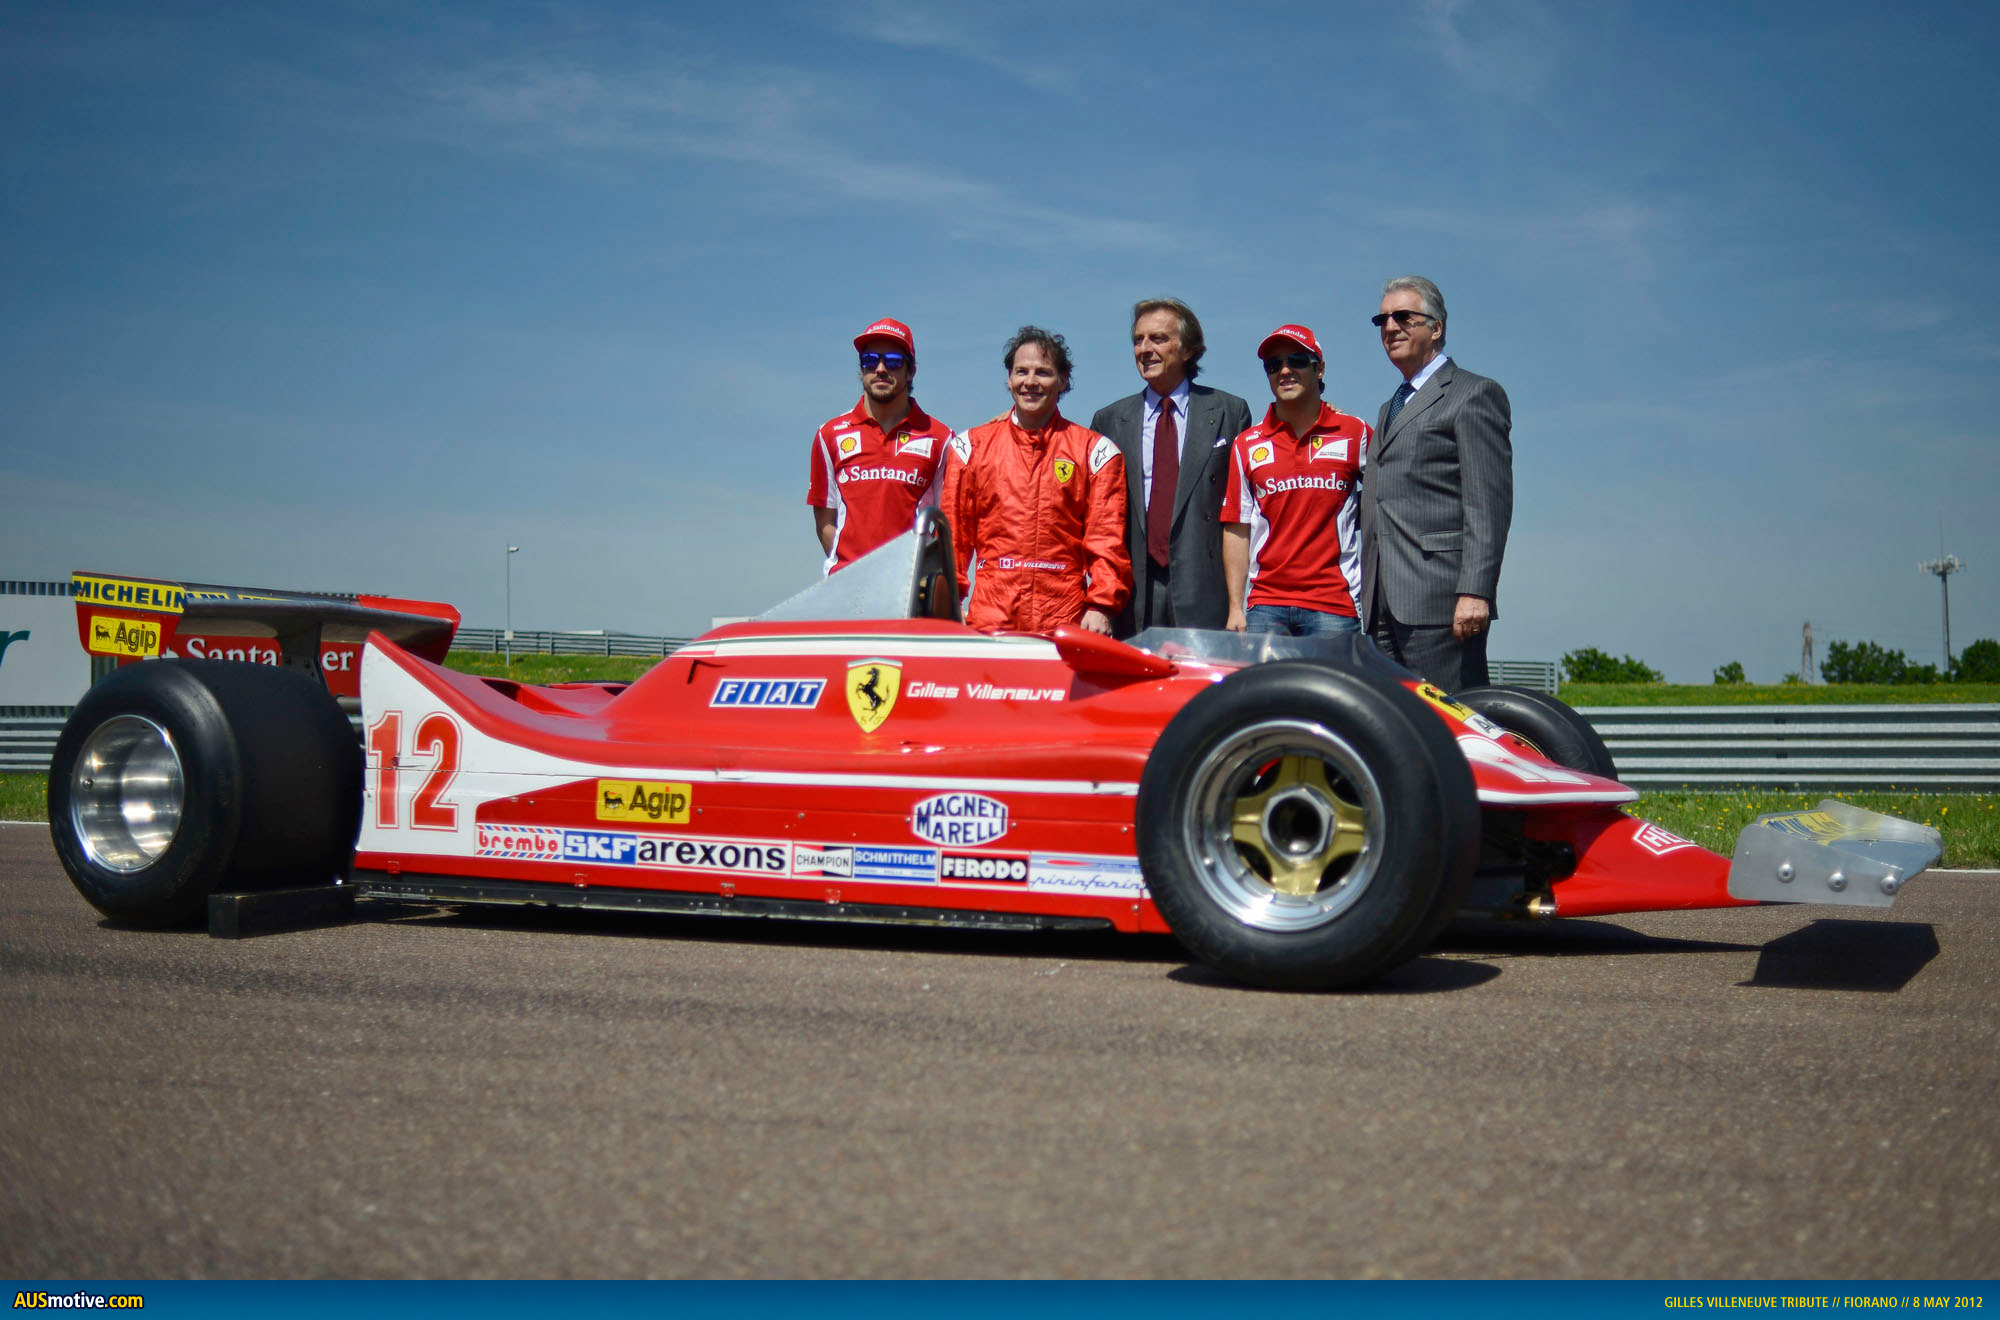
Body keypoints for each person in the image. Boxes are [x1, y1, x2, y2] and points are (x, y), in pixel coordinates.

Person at [1359, 276, 1513, 689]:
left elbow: (1488, 504)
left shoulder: (1473, 394)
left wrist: (1476, 591)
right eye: (1382, 319)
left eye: (1403, 316)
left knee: (1451, 719)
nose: (1390, 327)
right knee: (1395, 720)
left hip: (1440, 604)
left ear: (1436, 327)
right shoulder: (1389, 407)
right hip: (1380, 603)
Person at [941, 326, 1130, 634]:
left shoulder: (1096, 452)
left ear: (1063, 380)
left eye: (1042, 372)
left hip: (1064, 623)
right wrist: (948, 604)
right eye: (1021, 371)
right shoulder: (969, 448)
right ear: (1009, 379)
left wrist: (1101, 606)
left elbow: (1107, 539)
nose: (1030, 381)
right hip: (990, 620)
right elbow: (953, 541)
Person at [1088, 298, 1252, 636]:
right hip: (1133, 591)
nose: (1144, 349)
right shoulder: (1109, 421)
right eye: (1138, 340)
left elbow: (1244, 506)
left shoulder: (1230, 412)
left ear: (1188, 349)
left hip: (1204, 590)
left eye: (1158, 338)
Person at [1219, 325, 1371, 636]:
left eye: (1297, 361)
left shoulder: (1356, 432)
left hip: (1334, 605)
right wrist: (1235, 607)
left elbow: (1389, 500)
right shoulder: (1246, 444)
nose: (1285, 371)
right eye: (1274, 365)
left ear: (1319, 369)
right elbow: (1237, 526)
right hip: (1265, 606)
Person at [806, 318, 954, 574]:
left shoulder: (940, 438)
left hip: (910, 585)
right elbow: (826, 523)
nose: (881, 369)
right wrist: (857, 575)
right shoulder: (829, 435)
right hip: (847, 584)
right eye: (870, 360)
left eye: (893, 361)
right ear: (862, 369)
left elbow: (949, 523)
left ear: (910, 371)